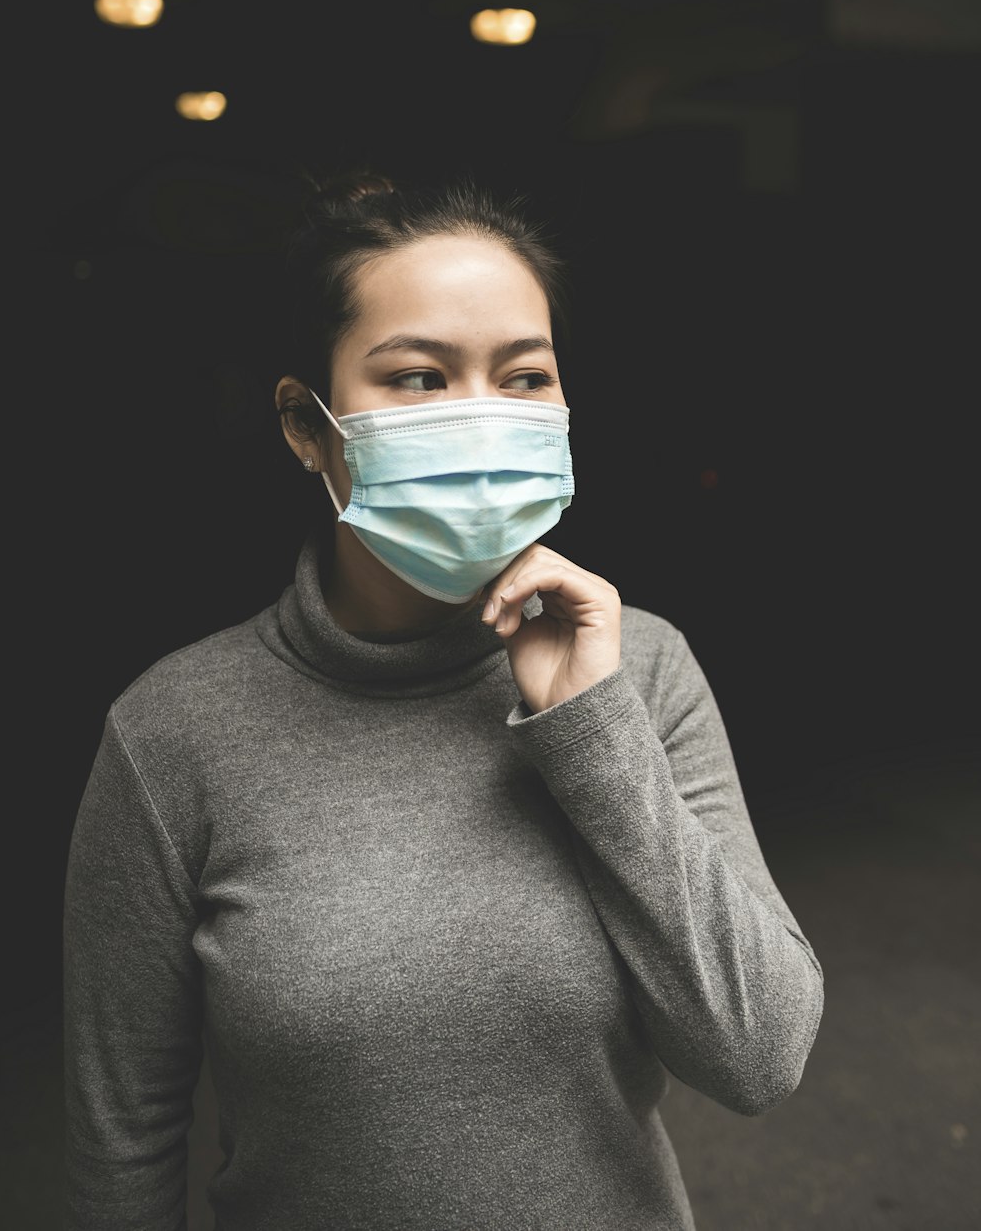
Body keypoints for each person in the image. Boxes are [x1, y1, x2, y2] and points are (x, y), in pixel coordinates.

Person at [62, 168, 825, 1231]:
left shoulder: (642, 671)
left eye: (522, 376)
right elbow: (122, 1138)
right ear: (306, 424)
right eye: (419, 378)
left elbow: (759, 1053)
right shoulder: (172, 735)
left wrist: (590, 731)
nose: (478, 417)